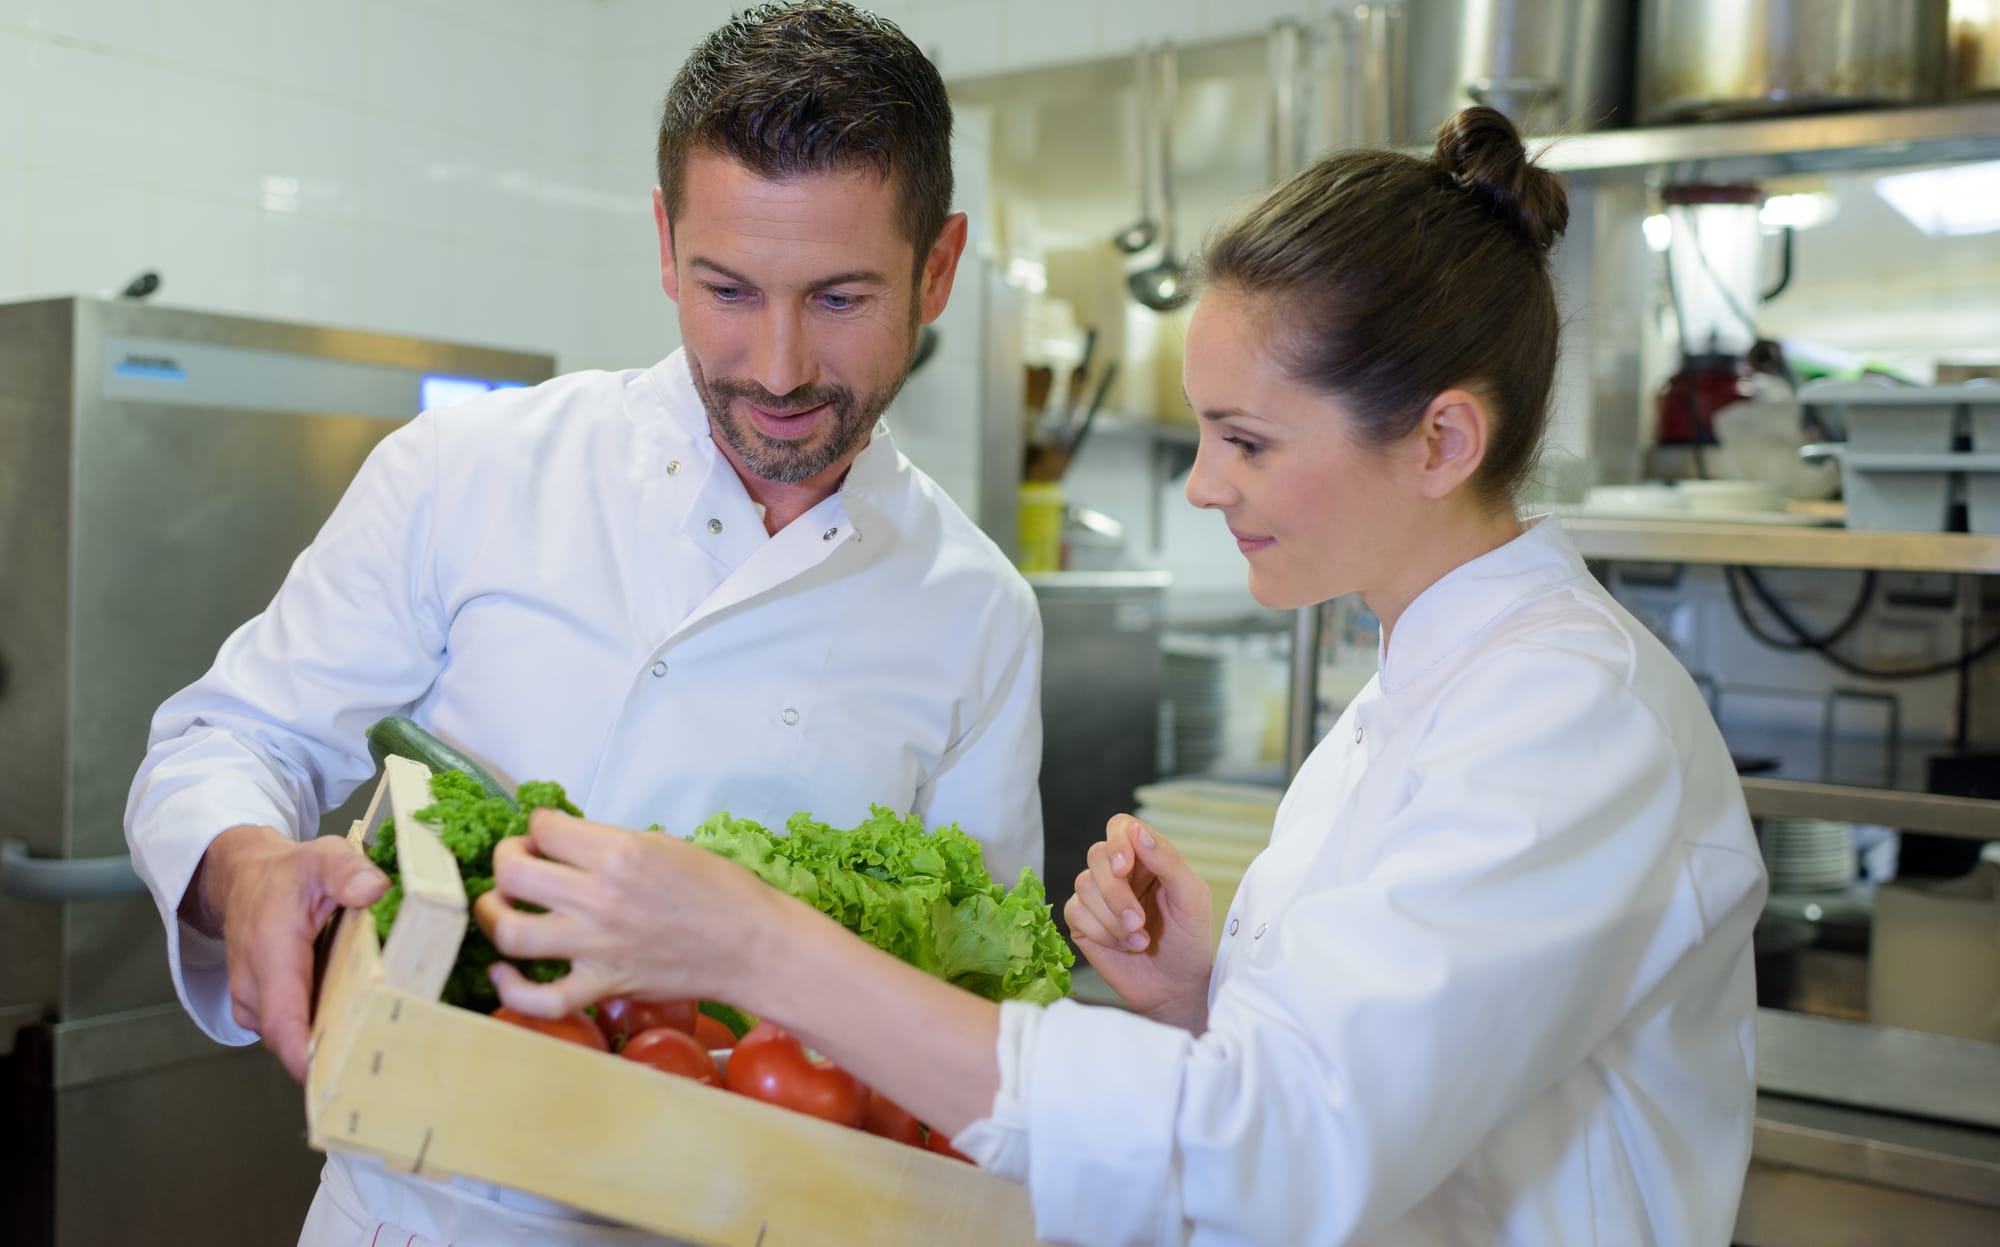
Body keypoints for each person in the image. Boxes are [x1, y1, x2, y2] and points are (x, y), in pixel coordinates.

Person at [477, 107, 1767, 1245]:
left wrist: (759, 949)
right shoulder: (1419, 685)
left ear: (1439, 439)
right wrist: (1207, 994)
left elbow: (1282, 1153)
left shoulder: (1569, 717)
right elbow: (1396, 1074)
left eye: (1244, 441)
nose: (1204, 485)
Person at [123, 0, 1045, 1247]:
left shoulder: (974, 606)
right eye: (726, 288)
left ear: (937, 268)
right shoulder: (472, 468)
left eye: (838, 298)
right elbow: (228, 740)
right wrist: (248, 868)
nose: (774, 367)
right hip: (425, 1213)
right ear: (664, 245)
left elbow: (964, 1004)